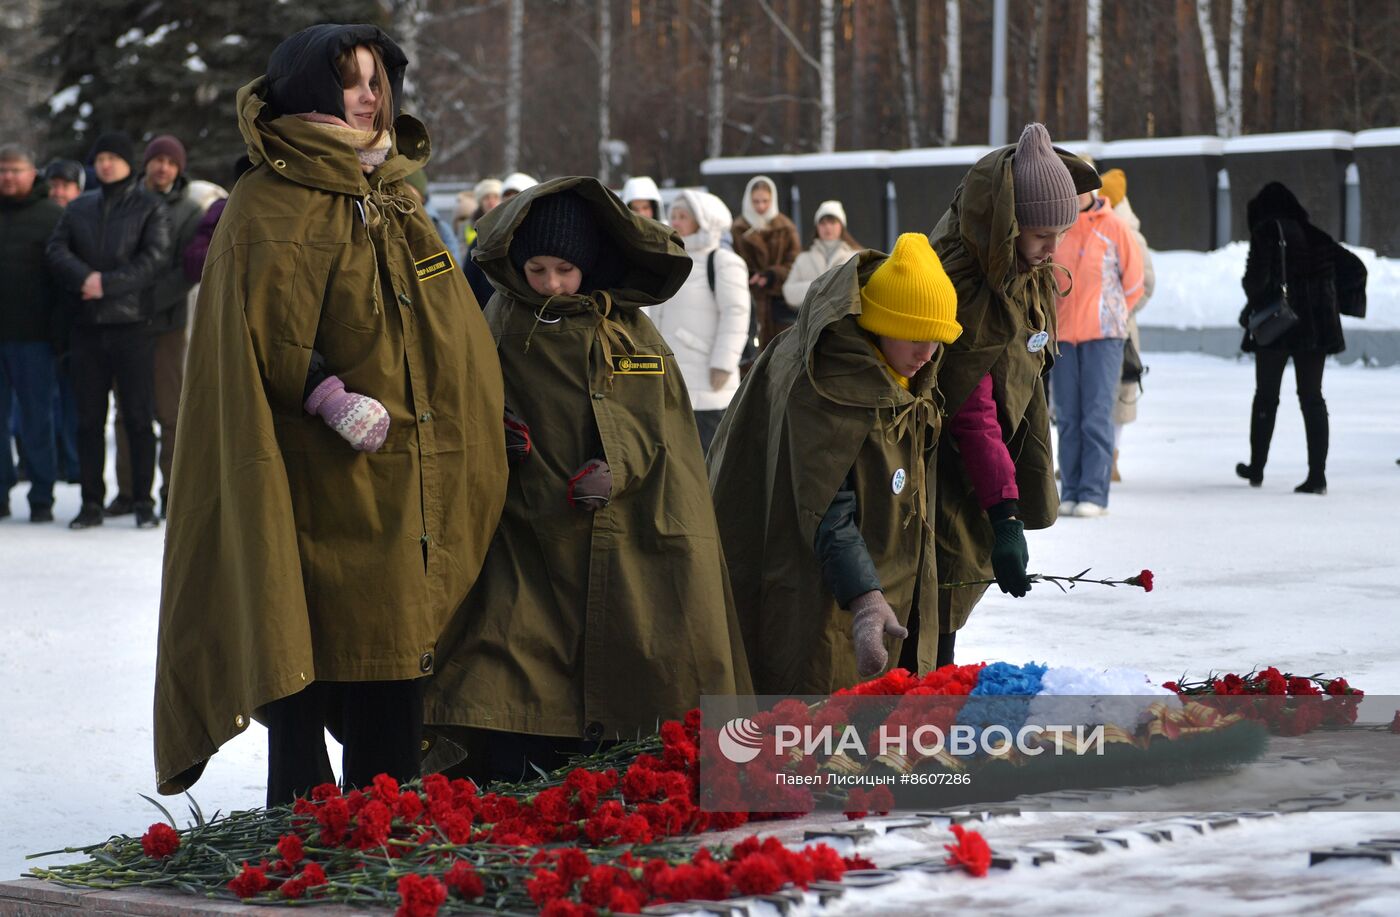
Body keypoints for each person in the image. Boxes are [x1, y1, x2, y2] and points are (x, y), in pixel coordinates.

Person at [151, 23, 508, 804]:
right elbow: (251, 333)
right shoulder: (268, 201)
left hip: (404, 476)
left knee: (395, 645)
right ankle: (305, 814)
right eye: (352, 81)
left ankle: (388, 809)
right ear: (313, 89)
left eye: (379, 81)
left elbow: (447, 325)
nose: (370, 96)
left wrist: (477, 410)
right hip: (311, 473)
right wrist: (326, 391)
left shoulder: (398, 198)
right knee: (304, 636)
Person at [423, 177, 751, 784]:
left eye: (565, 270)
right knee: (509, 666)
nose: (550, 284)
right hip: (521, 537)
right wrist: (492, 428)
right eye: (538, 268)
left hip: (617, 534)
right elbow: (461, 394)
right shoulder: (500, 321)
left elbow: (659, 423)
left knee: (620, 660)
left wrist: (615, 464)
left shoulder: (628, 330)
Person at [709, 233, 962, 693]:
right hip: (815, 576)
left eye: (938, 341)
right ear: (881, 322)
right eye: (917, 338)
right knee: (813, 709)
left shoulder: (899, 368)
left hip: (864, 572)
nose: (928, 353)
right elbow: (826, 505)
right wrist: (865, 598)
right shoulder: (829, 382)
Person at [929, 122, 1097, 665]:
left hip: (981, 469)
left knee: (948, 601)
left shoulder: (1023, 274)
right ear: (1006, 225)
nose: (1054, 249)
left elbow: (1025, 386)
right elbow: (973, 413)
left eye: (1061, 235)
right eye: (1042, 234)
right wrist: (1005, 513)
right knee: (931, 605)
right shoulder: (963, 286)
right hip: (938, 477)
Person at [46, 130, 171, 530]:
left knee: (137, 417)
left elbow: (154, 258)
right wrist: (85, 277)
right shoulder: (79, 207)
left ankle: (143, 502)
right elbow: (56, 250)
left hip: (132, 326)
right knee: (88, 420)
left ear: (127, 163)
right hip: (87, 328)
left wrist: (107, 284)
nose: (105, 164)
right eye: (100, 158)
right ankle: (90, 502)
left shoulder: (149, 207)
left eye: (113, 157)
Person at [1236, 181, 1366, 495]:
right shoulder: (1317, 236)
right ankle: (1317, 476)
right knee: (1312, 397)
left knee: (1266, 396)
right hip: (1316, 329)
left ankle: (1257, 468)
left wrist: (1258, 297)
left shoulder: (1267, 232)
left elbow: (1255, 283)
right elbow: (1356, 269)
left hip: (1277, 327)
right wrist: (1334, 302)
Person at [105, 135, 204, 519]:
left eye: (171, 162)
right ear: (146, 163)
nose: (163, 167)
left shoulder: (190, 210)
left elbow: (188, 269)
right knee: (127, 411)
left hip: (166, 323)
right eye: (157, 159)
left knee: (170, 414)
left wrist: (150, 301)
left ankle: (172, 493)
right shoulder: (123, 203)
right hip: (124, 325)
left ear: (179, 168)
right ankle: (129, 491)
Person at [1050, 176, 1145, 518]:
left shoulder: (1114, 227)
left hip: (1104, 336)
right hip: (1062, 337)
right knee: (1068, 417)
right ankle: (1072, 489)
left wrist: (1111, 313)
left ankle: (1093, 492)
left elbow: (1134, 282)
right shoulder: (1056, 228)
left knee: (1096, 414)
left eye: (1081, 187)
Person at [645, 189, 749, 451]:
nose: (675, 222)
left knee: (710, 458)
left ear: (703, 221)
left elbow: (736, 314)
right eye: (674, 216)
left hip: (709, 379)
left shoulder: (723, 262)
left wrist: (723, 365)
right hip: (672, 376)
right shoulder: (671, 262)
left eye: (683, 216)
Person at [0, 145, 63, 522]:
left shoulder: (52, 216)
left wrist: (59, 330)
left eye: (15, 170)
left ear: (32, 173)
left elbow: (63, 276)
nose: (8, 177)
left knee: (37, 417)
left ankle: (42, 495)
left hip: (35, 337)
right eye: (2, 170)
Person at [1098, 169, 1155, 483]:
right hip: (1091, 327)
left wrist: (1120, 310)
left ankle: (1112, 458)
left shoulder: (1128, 233)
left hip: (1119, 329)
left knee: (1117, 395)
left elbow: (1146, 283)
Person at [42, 160, 85, 484]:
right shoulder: (42, 219)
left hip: (78, 325)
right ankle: (47, 462)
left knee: (72, 401)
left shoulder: (84, 220)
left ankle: (72, 464)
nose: (58, 192)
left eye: (65, 186)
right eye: (53, 185)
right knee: (45, 402)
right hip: (40, 324)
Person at [731, 175, 800, 349]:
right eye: (756, 201)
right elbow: (731, 260)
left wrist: (772, 275)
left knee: (781, 352)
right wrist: (750, 275)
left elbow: (795, 262)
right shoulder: (738, 228)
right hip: (749, 298)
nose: (761, 206)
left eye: (765, 201)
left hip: (780, 302)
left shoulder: (785, 228)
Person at [782, 199, 860, 309]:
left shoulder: (856, 257)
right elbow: (789, 292)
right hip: (809, 324)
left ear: (841, 225)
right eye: (823, 223)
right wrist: (819, 286)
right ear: (817, 227)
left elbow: (858, 291)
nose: (827, 227)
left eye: (832, 222)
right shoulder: (803, 259)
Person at [403, 168, 463, 266]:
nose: (403, 195)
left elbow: (454, 269)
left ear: (420, 194)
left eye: (409, 190)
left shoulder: (440, 228)